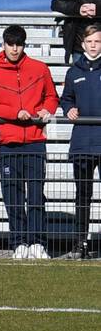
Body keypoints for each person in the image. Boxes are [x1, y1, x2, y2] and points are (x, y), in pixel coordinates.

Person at [0, 25, 58, 259]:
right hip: (9, 142)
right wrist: (16, 113)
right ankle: (19, 243)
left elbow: (52, 96)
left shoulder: (39, 68)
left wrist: (47, 109)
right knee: (13, 196)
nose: (15, 49)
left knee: (36, 194)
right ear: (3, 45)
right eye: (11, 44)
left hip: (35, 140)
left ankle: (37, 242)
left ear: (24, 45)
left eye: (19, 44)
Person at [60, 23, 101, 259]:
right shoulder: (74, 71)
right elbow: (65, 99)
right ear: (83, 44)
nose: (94, 46)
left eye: (97, 41)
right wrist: (69, 109)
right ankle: (80, 244)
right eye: (90, 42)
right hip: (82, 143)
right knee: (82, 195)